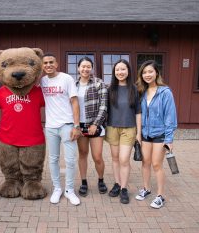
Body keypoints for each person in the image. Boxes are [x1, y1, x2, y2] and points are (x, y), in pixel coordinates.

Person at [40, 53, 82, 206]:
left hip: (67, 125)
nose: (48, 65)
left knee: (70, 160)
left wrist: (76, 126)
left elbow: (74, 102)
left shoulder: (66, 78)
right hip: (50, 127)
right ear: (42, 65)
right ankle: (57, 188)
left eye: (51, 62)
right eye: (45, 63)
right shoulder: (42, 81)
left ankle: (69, 190)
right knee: (53, 159)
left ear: (56, 64)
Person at [135, 60, 177, 209]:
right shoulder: (141, 91)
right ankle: (146, 188)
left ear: (156, 73)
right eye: (144, 72)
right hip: (145, 134)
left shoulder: (165, 92)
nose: (147, 74)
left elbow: (170, 117)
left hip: (160, 134)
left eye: (150, 71)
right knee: (145, 163)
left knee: (157, 164)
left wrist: (169, 138)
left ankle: (160, 196)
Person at [105, 59, 141, 204]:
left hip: (129, 128)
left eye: (123, 69)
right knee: (114, 158)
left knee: (124, 159)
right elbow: (105, 110)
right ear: (114, 72)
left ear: (128, 71)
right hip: (112, 127)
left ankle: (124, 189)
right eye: (117, 70)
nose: (120, 72)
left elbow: (138, 111)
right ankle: (117, 184)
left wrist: (139, 132)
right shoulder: (109, 89)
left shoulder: (134, 89)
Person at [75, 57, 108, 197]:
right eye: (83, 66)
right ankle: (84, 182)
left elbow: (104, 106)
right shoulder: (73, 84)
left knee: (97, 156)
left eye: (88, 66)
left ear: (92, 68)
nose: (85, 69)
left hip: (95, 125)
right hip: (79, 125)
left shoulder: (99, 83)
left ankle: (101, 180)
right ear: (78, 68)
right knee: (82, 154)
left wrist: (96, 124)